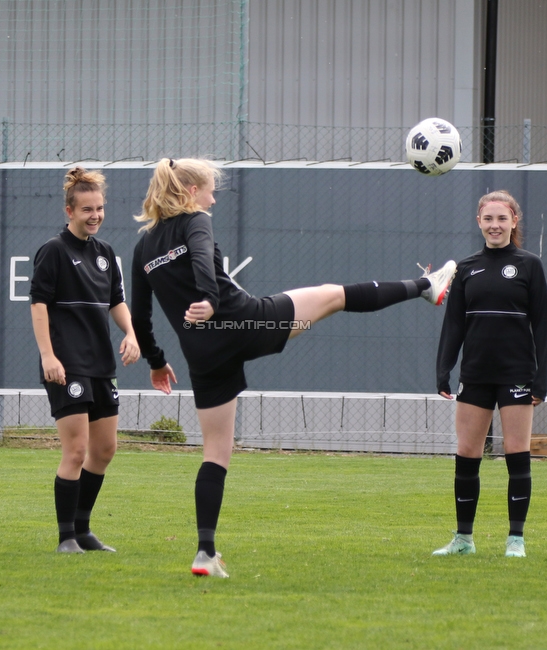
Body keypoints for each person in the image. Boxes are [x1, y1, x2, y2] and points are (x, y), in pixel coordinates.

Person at [130, 157, 457, 578]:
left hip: (203, 354)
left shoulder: (143, 246)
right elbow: (198, 260)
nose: (213, 197)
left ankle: (205, 554)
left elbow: (140, 318)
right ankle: (426, 287)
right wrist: (210, 300)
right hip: (249, 324)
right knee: (333, 295)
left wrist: (157, 362)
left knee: (215, 452)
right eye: (210, 188)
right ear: (191, 191)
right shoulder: (196, 219)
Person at [433, 190, 547, 559]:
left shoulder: (529, 265)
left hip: (516, 373)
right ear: (479, 222)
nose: (495, 225)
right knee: (467, 453)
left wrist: (541, 378)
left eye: (502, 218)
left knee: (517, 452)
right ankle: (463, 539)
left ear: (514, 221)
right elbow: (453, 325)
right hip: (476, 374)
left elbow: (543, 326)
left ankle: (516, 539)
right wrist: (443, 369)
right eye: (488, 219)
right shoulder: (467, 267)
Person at [31, 168, 140, 554]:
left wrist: (131, 333)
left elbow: (116, 302)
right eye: (87, 209)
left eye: (100, 208)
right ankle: (65, 538)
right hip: (66, 365)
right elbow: (39, 305)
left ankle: (84, 530)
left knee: (105, 450)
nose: (95, 215)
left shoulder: (106, 253)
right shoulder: (53, 251)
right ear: (69, 210)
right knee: (75, 451)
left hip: (100, 365)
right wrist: (48, 355)